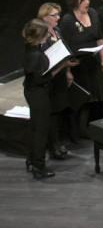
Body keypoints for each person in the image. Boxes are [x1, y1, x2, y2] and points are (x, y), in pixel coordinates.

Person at [22, 19, 78, 179]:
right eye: (45, 34)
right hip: (38, 94)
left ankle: (31, 159)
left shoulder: (31, 46)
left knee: (34, 126)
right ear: (38, 36)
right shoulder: (35, 56)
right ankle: (39, 166)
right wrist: (61, 66)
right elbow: (42, 79)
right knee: (40, 130)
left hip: (32, 92)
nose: (48, 36)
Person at [59, 0, 103, 139]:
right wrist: (67, 70)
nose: (87, 2)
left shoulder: (93, 13)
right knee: (82, 100)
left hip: (93, 63)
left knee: (96, 97)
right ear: (74, 1)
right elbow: (64, 46)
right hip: (77, 66)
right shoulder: (67, 20)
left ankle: (91, 127)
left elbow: (99, 38)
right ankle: (77, 131)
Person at [37, 3, 73, 160]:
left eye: (58, 14)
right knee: (51, 111)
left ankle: (57, 142)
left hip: (60, 76)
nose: (58, 18)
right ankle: (53, 145)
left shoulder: (57, 31)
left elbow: (64, 50)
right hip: (49, 78)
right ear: (45, 18)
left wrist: (68, 70)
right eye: (54, 15)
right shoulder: (40, 34)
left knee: (58, 108)